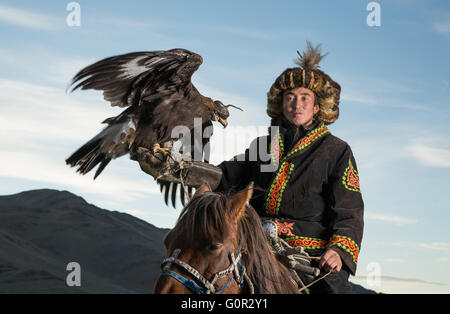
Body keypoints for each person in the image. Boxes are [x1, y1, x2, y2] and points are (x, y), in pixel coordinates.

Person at [134, 42, 364, 294]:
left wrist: (338, 249)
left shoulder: (336, 151)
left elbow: (349, 211)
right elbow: (223, 176)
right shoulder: (263, 146)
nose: (296, 104)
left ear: (317, 107)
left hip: (310, 252)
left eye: (304, 98)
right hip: (253, 245)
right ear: (281, 105)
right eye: (290, 97)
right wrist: (177, 169)